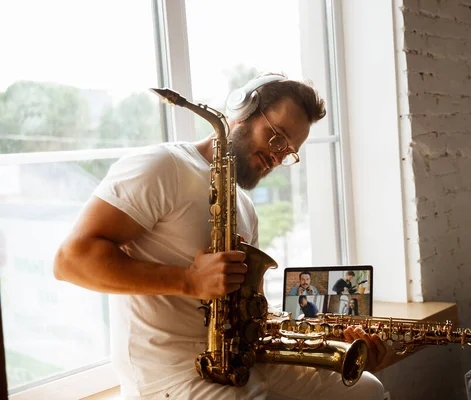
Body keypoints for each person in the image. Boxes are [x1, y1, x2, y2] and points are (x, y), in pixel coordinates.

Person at [53, 73, 389, 399]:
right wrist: (188, 281)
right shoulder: (162, 165)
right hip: (169, 376)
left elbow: (249, 311)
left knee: (367, 389)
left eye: (289, 151)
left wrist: (329, 340)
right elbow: (70, 261)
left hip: (237, 359)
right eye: (276, 137)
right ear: (242, 112)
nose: (278, 155)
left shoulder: (244, 206)